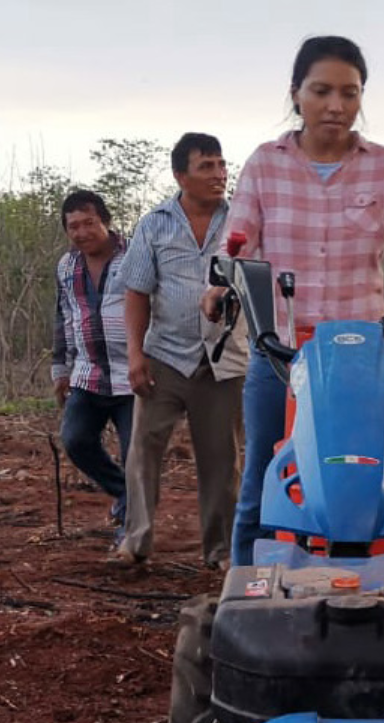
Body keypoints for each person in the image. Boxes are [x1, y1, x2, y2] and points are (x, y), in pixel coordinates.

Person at [213, 35, 384, 568]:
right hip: (283, 354)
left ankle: (380, 586)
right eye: (321, 91)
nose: (335, 105)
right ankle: (245, 594)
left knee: (368, 475)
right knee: (267, 481)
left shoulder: (383, 166)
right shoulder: (265, 165)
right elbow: (235, 243)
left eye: (349, 92)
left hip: (362, 361)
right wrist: (218, 287)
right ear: (296, 95)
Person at [114, 133, 248, 568]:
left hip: (222, 358)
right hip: (165, 356)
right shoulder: (154, 224)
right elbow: (136, 292)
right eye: (206, 166)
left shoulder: (243, 222)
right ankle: (135, 541)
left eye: (222, 165)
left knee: (221, 459)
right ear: (180, 175)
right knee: (143, 449)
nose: (219, 175)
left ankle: (221, 551)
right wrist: (135, 356)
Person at [51, 190, 133, 544]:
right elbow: (63, 316)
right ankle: (125, 495)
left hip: (135, 375)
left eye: (89, 223)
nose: (82, 232)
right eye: (73, 226)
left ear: (105, 221)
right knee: (76, 439)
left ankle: (132, 529)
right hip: (88, 373)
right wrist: (60, 368)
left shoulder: (136, 255)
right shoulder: (66, 266)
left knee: (137, 455)